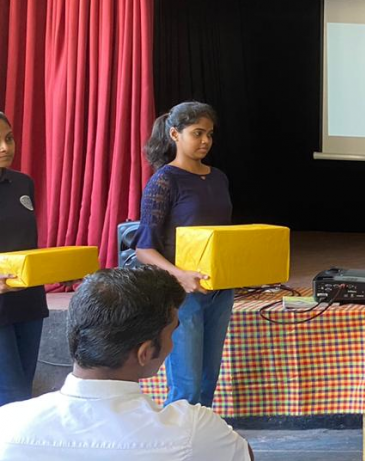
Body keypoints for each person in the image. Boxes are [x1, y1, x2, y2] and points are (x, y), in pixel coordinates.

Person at [0, 266, 252, 460]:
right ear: (145, 353)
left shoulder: (8, 424)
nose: (173, 343)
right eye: (172, 333)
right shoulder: (195, 431)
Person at [135, 101, 233, 407]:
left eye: (210, 134)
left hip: (220, 290)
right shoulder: (164, 180)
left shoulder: (218, 177)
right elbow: (143, 249)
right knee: (187, 385)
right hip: (182, 295)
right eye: (197, 133)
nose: (205, 141)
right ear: (175, 134)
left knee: (208, 380)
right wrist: (181, 275)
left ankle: (199, 434)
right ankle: (178, 437)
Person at [0, 112, 47, 407]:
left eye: (9, 138)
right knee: (11, 395)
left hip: (28, 300)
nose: (5, 147)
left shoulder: (22, 183)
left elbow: (27, 241)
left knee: (23, 396)